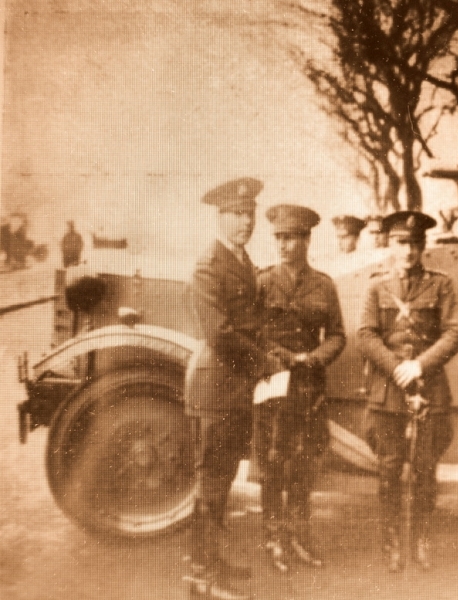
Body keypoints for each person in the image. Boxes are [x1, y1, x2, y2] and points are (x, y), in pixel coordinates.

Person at [184, 177, 282, 600]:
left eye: (250, 213)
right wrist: (265, 364)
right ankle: (200, 579)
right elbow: (221, 334)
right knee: (209, 487)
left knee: (222, 484)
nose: (245, 221)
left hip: (237, 388)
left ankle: (213, 562)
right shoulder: (209, 265)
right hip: (218, 389)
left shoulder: (241, 260)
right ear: (220, 216)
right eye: (237, 214)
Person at [357, 211, 458, 572]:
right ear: (390, 244)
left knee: (424, 470)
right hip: (387, 391)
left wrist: (419, 365)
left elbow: (453, 333)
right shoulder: (376, 286)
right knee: (388, 470)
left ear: (423, 247)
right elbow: (366, 335)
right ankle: (390, 540)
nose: (408, 251)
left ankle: (420, 538)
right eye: (402, 243)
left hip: (429, 388)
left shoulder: (441, 284)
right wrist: (396, 368)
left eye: (415, 244)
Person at [254, 204, 346, 573]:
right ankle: (274, 536)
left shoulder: (323, 285)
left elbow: (337, 335)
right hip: (274, 384)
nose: (284, 245)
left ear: (307, 240)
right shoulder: (261, 282)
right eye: (279, 238)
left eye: (292, 238)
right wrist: (278, 355)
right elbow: (252, 334)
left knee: (304, 463)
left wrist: (314, 358)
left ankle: (299, 535)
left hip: (309, 386)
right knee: (273, 461)